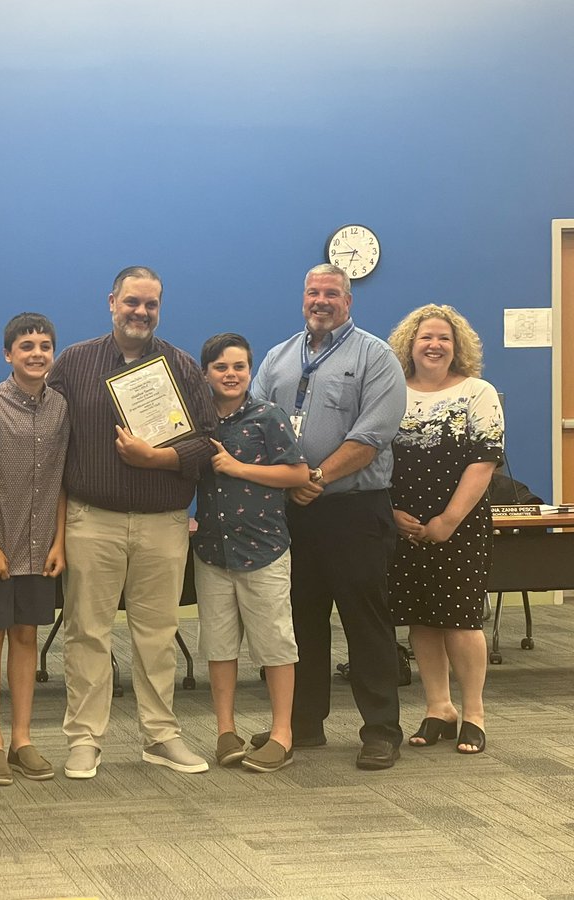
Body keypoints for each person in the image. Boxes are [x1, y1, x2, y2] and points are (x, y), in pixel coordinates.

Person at [46, 265, 216, 780]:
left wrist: (157, 459)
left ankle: (160, 736)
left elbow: (207, 443)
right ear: (112, 302)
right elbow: (49, 434)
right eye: (132, 302)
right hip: (91, 519)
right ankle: (84, 740)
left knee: (157, 634)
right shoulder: (74, 363)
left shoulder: (182, 367)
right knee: (87, 633)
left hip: (162, 523)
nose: (141, 312)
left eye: (151, 304)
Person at [250, 264, 406, 769]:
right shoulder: (277, 358)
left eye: (332, 293)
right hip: (293, 515)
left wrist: (313, 479)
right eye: (313, 292)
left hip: (354, 511)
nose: (321, 301)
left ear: (348, 301)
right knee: (301, 621)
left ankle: (381, 729)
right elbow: (254, 425)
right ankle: (303, 724)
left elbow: (371, 435)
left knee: (365, 622)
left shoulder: (375, 356)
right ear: (303, 299)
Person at [386, 304, 503, 755]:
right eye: (425, 338)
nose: (434, 345)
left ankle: (473, 712)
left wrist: (447, 522)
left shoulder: (478, 391)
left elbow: (484, 461)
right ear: (409, 345)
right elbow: (375, 456)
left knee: (460, 619)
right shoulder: (392, 391)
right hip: (403, 524)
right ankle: (439, 708)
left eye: (444, 339)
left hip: (460, 525)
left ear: (457, 348)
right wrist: (392, 512)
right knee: (421, 618)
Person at [0, 313, 70, 786]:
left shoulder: (61, 408)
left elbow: (63, 479)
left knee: (26, 636)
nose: (37, 353)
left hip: (41, 545)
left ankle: (23, 738)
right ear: (8, 354)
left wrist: (60, 541)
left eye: (45, 345)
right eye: (26, 346)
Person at [193, 333, 306, 774]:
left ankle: (282, 734)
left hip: (264, 549)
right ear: (206, 373)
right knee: (219, 646)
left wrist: (238, 467)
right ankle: (226, 730)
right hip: (212, 551)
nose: (230, 375)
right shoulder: (197, 421)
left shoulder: (267, 416)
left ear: (250, 371)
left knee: (275, 643)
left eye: (239, 367)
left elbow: (297, 472)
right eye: (221, 367)